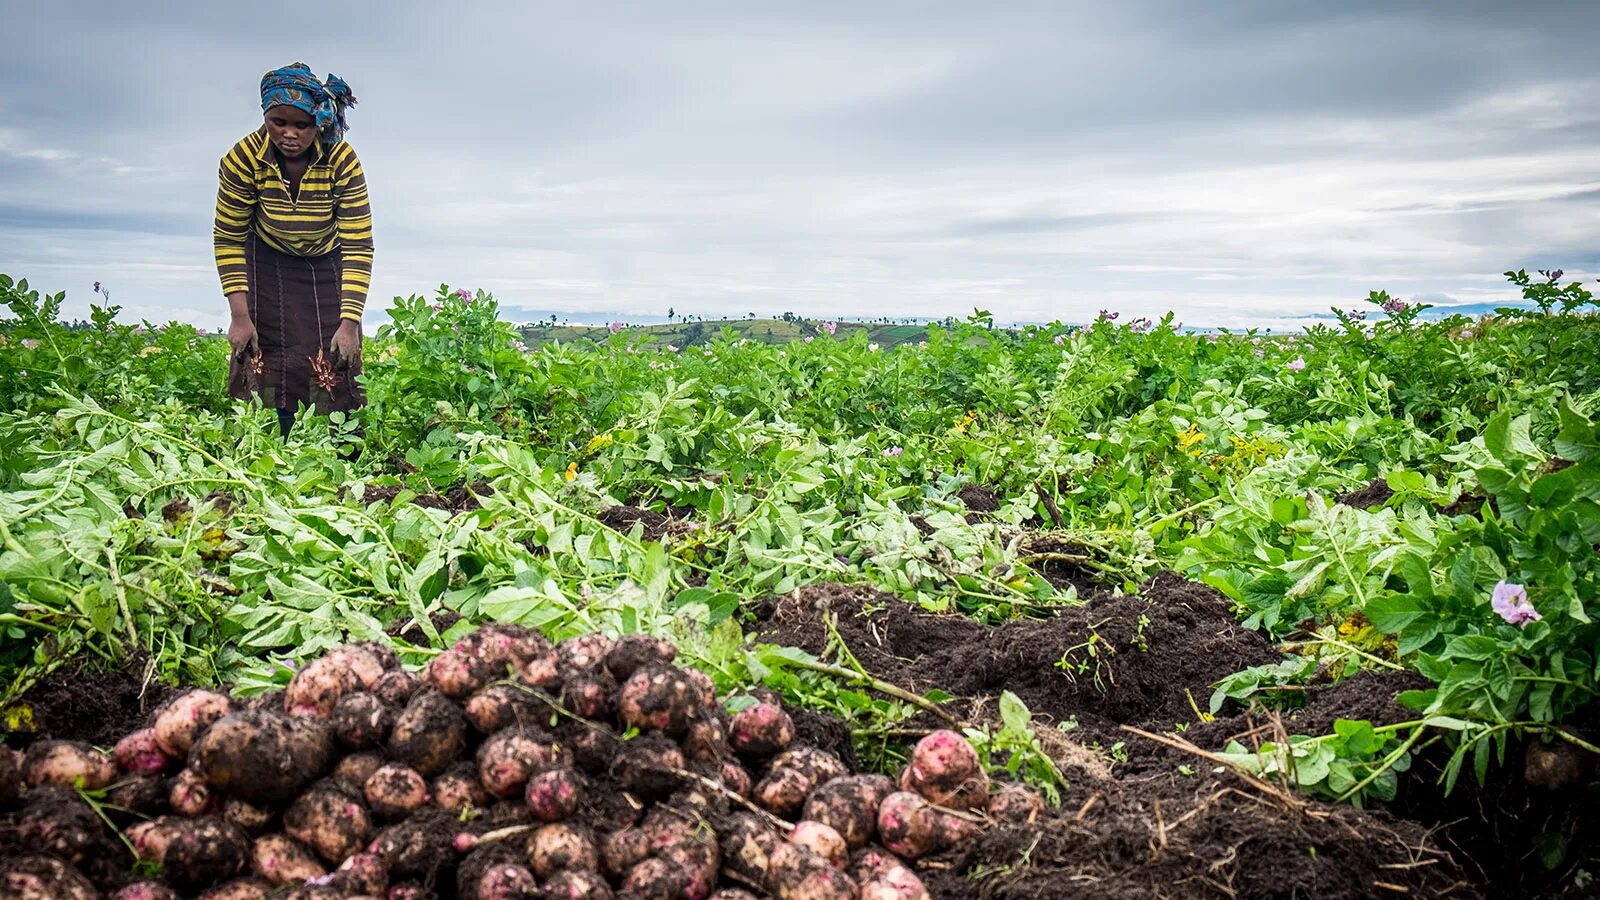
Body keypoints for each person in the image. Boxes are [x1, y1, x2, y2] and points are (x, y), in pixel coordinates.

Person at [214, 62, 374, 437]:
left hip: (327, 261)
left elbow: (358, 244)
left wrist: (349, 323)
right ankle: (271, 442)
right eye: (278, 122)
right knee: (263, 353)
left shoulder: (341, 161)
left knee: (336, 355)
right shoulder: (242, 159)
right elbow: (229, 237)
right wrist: (239, 315)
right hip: (265, 259)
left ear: (318, 121)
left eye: (301, 125)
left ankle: (341, 447)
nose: (289, 134)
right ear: (265, 117)